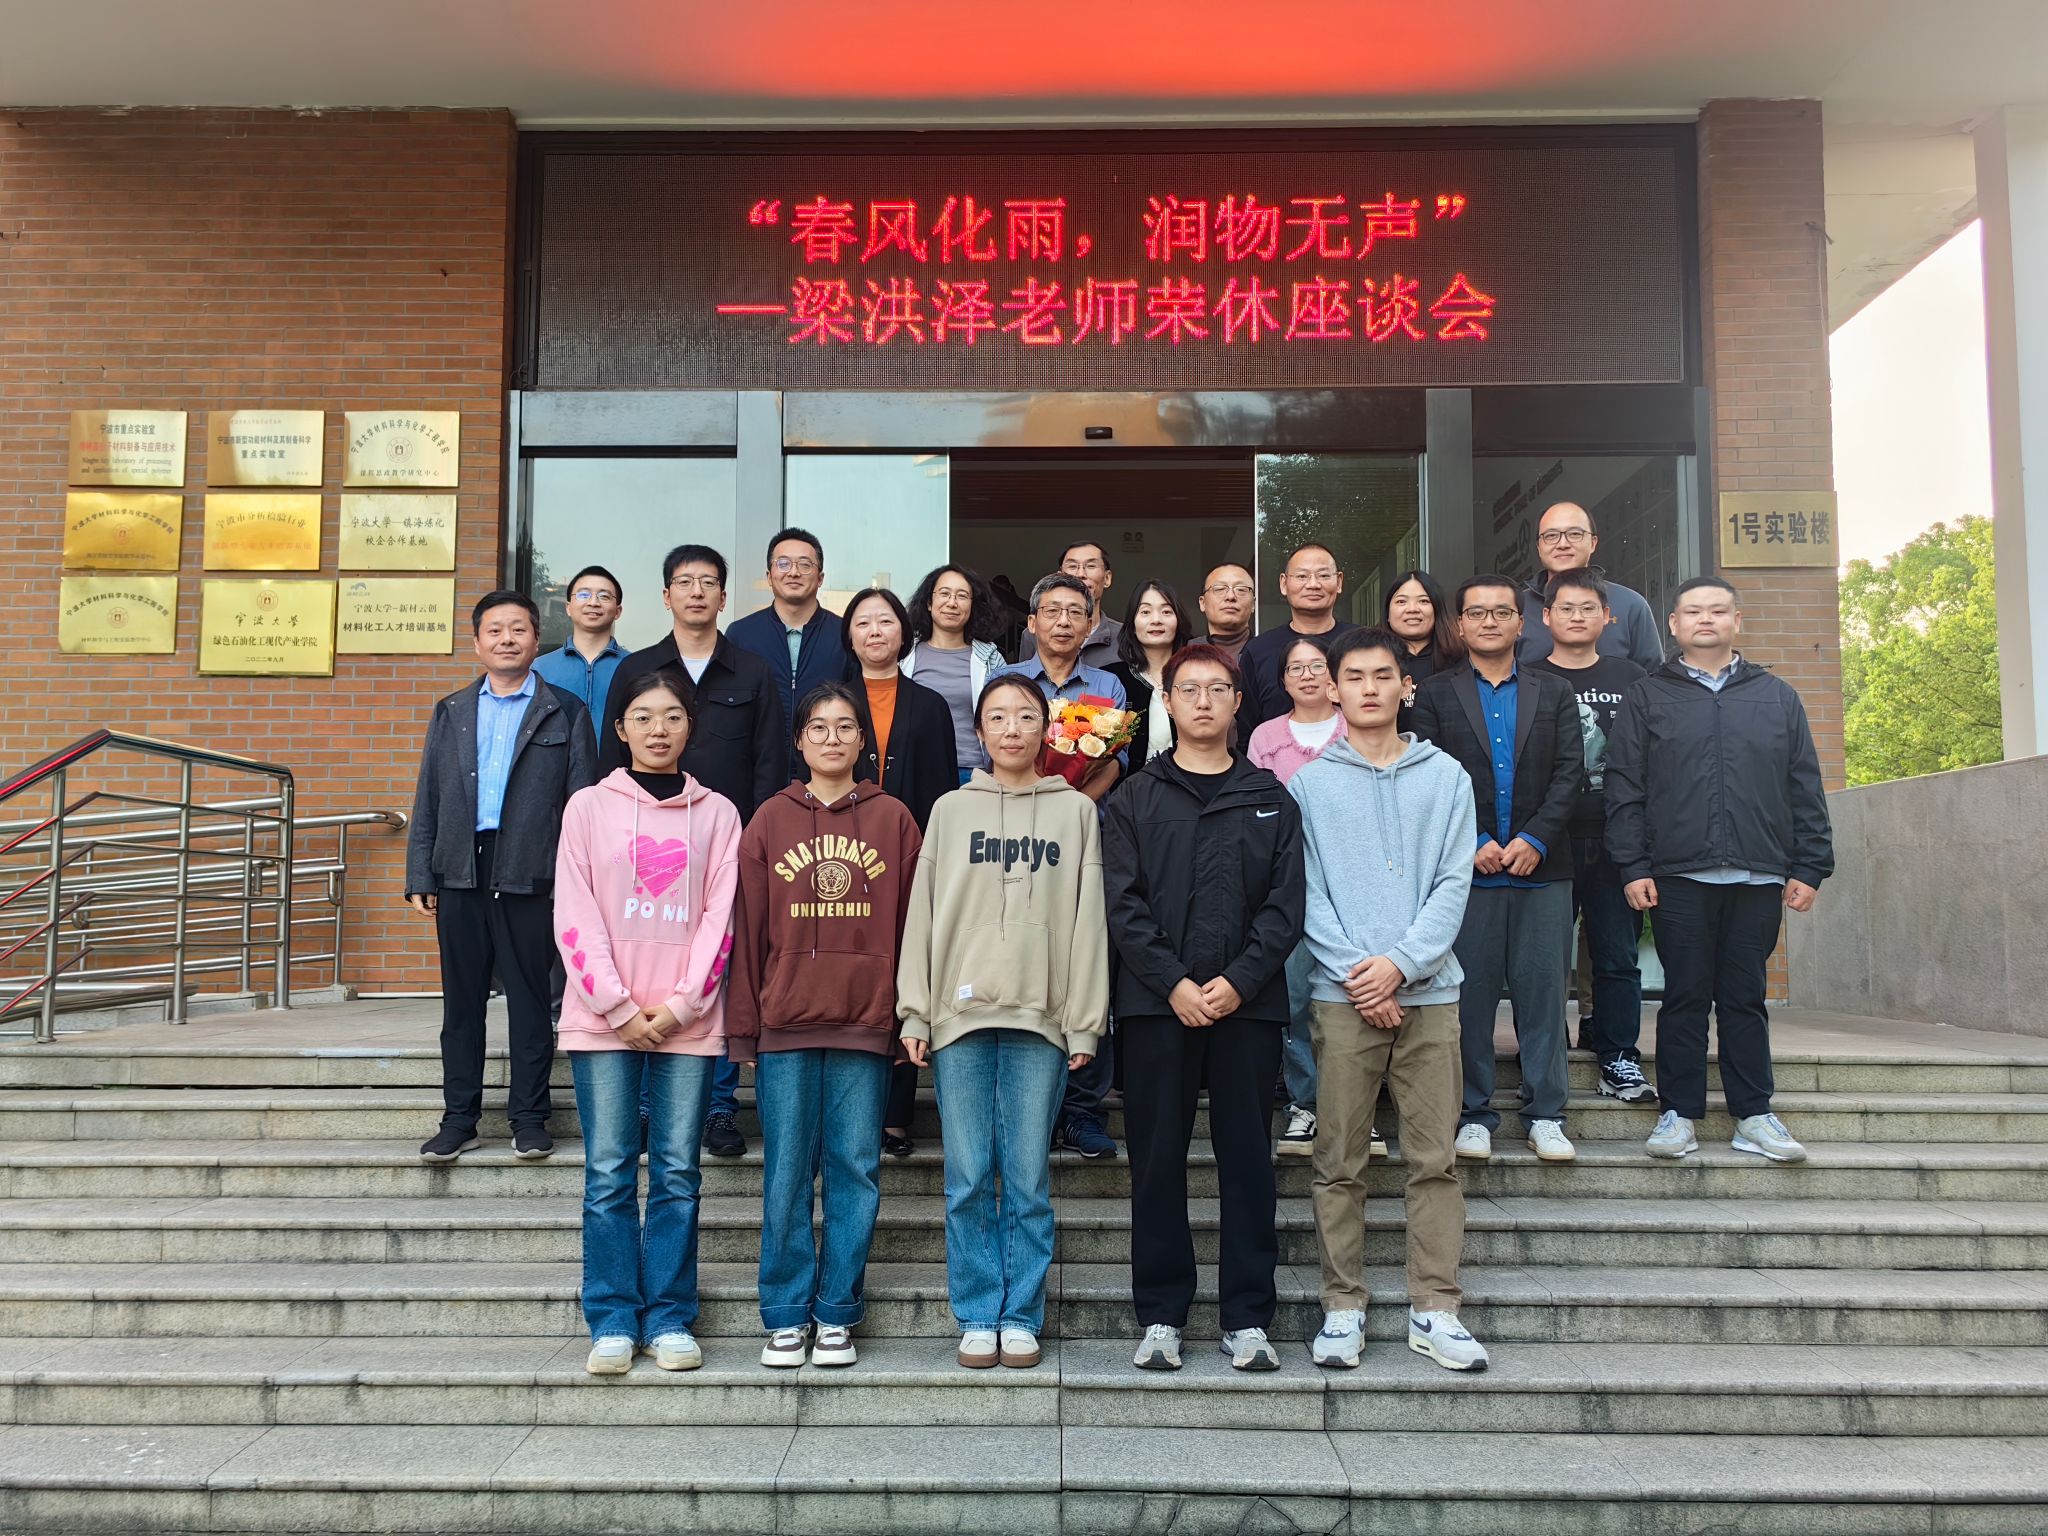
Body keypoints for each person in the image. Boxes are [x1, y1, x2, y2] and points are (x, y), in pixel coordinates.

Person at [897, 675, 1108, 1370]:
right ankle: (977, 1311)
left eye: (1025, 716)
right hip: (957, 1017)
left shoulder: (1075, 811)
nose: (1012, 729)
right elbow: (923, 912)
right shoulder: (951, 809)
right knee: (966, 1176)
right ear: (980, 732)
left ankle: (1020, 1314)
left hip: (1041, 1017)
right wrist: (915, 1009)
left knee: (1025, 1179)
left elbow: (1087, 921)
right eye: (998, 717)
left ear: (1046, 729)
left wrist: (1084, 1022)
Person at [1289, 627, 1486, 1373]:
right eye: (1354, 677)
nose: (1369, 688)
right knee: (1339, 1160)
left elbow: (1454, 883)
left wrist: (1400, 967)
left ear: (1407, 686)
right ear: (1333, 689)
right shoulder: (1309, 785)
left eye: (1382, 676)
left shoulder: (1447, 778)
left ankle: (1436, 1308)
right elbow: (1307, 893)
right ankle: (1343, 1306)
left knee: (1433, 1161)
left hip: (1431, 996)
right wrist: (1359, 975)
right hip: (1341, 998)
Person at [1104, 644, 1304, 1373]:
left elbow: (1285, 907)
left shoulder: (1270, 797)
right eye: (1188, 689)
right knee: (1156, 1161)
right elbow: (1122, 905)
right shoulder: (1134, 797)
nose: (1203, 701)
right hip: (1158, 1008)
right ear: (1168, 700)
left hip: (1248, 1009)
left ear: (1237, 701)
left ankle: (1247, 1319)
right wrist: (1175, 984)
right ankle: (1161, 1315)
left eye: (1218, 689)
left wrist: (1240, 981)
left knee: (1247, 1162)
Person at [1605, 576, 1834, 1164]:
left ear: (1737, 621)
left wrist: (1810, 864)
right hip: (1678, 874)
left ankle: (1753, 1115)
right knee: (1684, 996)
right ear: (1674, 625)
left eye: (1717, 610)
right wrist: (1632, 865)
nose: (1705, 619)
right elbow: (1625, 788)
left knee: (1745, 997)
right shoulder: (1648, 696)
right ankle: (1677, 1115)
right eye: (1692, 611)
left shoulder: (1776, 695)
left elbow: (1804, 785)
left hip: (1758, 873)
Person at [727, 682, 922, 1369]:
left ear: (863, 741)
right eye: (819, 727)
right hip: (785, 1024)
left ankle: (837, 1311)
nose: (833, 738)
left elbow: (914, 928)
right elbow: (747, 931)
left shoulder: (894, 818)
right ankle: (785, 1315)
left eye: (845, 727)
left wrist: (907, 1015)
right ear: (799, 740)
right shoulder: (769, 821)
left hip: (865, 1023)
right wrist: (744, 1028)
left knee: (855, 1171)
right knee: (785, 1173)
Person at [554, 668, 741, 1376]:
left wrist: (682, 1005)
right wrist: (618, 1006)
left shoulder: (719, 814)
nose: (658, 729)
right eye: (642, 716)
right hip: (603, 1021)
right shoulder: (587, 808)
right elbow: (573, 912)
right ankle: (611, 1318)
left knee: (676, 1173)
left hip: (687, 1023)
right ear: (621, 728)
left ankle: (668, 1317)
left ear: (689, 726)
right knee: (607, 1173)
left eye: (671, 716)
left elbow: (721, 917)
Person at [599, 544, 788, 1161]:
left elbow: (769, 763)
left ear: (724, 597)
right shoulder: (638, 669)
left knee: (720, 968)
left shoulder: (753, 670)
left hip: (723, 846)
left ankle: (718, 1105)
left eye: (709, 582)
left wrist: (756, 846)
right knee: (648, 965)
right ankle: (647, 1105)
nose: (697, 592)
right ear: (666, 596)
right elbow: (610, 760)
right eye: (685, 582)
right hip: (644, 848)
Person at [406, 591, 593, 1164]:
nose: (507, 639)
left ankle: (529, 1119)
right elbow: (429, 795)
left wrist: (575, 881)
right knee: (462, 1005)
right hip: (461, 869)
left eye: (518, 629)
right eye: (495, 630)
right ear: (477, 642)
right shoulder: (452, 710)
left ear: (537, 641)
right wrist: (421, 871)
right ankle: (458, 1120)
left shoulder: (565, 710)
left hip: (531, 872)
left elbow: (582, 804)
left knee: (531, 1002)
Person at [1410, 576, 1584, 1167]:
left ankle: (1546, 1114)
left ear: (1521, 622)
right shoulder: (1435, 694)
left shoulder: (1554, 691)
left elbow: (1570, 772)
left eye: (1501, 612)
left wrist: (1536, 837)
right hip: (1467, 875)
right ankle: (1474, 1114)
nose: (1489, 621)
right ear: (1459, 625)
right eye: (1477, 613)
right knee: (1470, 999)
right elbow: (1429, 774)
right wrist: (1474, 840)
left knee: (1544, 995)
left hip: (1544, 869)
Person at [990, 573, 1127, 1160]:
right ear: (1032, 622)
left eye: (1076, 611)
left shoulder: (1107, 685)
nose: (1064, 621)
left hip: (1081, 835)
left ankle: (1081, 1109)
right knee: (1024, 960)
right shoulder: (1006, 682)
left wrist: (1067, 806)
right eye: (1052, 610)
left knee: (1084, 962)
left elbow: (1113, 762)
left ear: (1092, 624)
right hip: (1013, 841)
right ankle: (1032, 1109)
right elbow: (992, 752)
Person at [845, 585, 967, 1159]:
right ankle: (853, 1112)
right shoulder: (832, 700)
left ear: (904, 632)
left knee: (903, 977)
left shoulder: (931, 704)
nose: (876, 631)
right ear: (850, 636)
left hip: (909, 860)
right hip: (840, 861)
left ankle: (895, 1116)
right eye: (864, 622)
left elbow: (943, 788)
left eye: (886, 621)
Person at [1529, 569, 1653, 1104]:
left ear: (1608, 617)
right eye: (1566, 608)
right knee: (1544, 959)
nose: (1576, 617)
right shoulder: (1528, 677)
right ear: (1546, 617)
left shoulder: (1633, 678)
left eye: (1588, 608)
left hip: (1616, 837)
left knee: (1617, 954)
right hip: (1547, 839)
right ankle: (1544, 1053)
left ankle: (1619, 1055)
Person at [1245, 635, 1348, 1160]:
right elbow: (1255, 811)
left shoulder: (1357, 727)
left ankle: (1353, 1106)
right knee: (1297, 999)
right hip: (1288, 885)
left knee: (1351, 997)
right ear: (1282, 680)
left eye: (1317, 665)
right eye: (1296, 668)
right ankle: (1306, 1103)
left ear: (1333, 675)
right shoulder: (1265, 736)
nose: (1307, 675)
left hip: (1352, 885)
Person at [726, 528, 848, 779]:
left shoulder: (844, 635)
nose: (793, 572)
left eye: (805, 564)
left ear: (820, 577)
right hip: (757, 776)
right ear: (769, 576)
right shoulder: (740, 635)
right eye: (783, 564)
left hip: (827, 776)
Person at [1516, 502, 1665, 669]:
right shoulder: (1516, 607)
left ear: (1593, 543)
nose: (1563, 544)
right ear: (1538, 546)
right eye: (1551, 536)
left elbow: (1654, 676)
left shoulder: (1630, 604)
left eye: (1574, 534)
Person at [1235, 543, 1357, 738]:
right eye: (1301, 576)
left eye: (1324, 575)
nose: (1313, 584)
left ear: (1339, 581)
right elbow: (1247, 730)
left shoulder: (1362, 644)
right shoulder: (1258, 651)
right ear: (1284, 583)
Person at [902, 564, 1008, 785]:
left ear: (973, 606)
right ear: (929, 603)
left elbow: (1006, 715)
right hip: (918, 768)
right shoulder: (903, 655)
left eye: (962, 596)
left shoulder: (990, 659)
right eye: (944, 594)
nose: (952, 603)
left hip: (973, 771)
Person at [534, 564, 630, 745]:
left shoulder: (635, 666)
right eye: (583, 595)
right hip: (558, 762)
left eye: (604, 596)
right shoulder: (539, 668)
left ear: (618, 611)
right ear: (568, 607)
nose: (593, 602)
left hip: (618, 762)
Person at [1106, 579, 1195, 769]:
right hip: (1128, 786)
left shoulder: (1197, 676)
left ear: (1178, 621)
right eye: (1145, 612)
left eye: (1166, 612)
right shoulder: (1112, 679)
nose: (1156, 620)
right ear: (1132, 623)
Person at [1016, 540, 1122, 669]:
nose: (1080, 574)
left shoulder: (1124, 637)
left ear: (1107, 578)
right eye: (1072, 566)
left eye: (1090, 566)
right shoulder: (1034, 634)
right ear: (1060, 576)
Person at [1383, 569, 1463, 720]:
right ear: (1387, 613)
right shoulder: (1372, 659)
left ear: (1437, 610)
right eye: (1401, 601)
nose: (1412, 609)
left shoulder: (1461, 659)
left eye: (1423, 601)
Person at [1195, 562, 1256, 663]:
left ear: (1253, 604)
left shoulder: (1270, 652)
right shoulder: (1184, 653)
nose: (1230, 596)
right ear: (1203, 603)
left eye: (1241, 589)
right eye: (1219, 589)